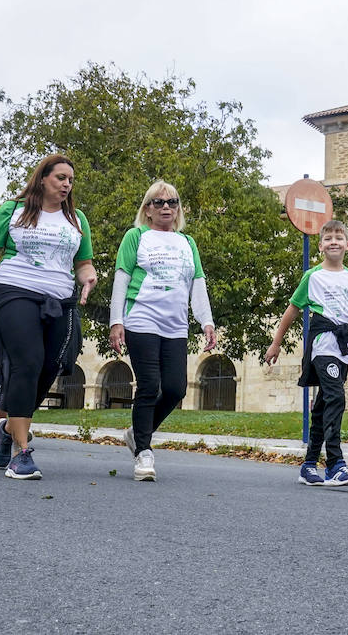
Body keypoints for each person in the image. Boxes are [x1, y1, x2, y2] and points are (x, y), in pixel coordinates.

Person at [0, 154, 95, 480]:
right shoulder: (12, 212)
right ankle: (22, 453)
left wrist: (88, 276)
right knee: (28, 361)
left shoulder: (77, 220)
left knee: (51, 366)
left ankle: (9, 427)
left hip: (59, 298)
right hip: (14, 292)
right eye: (60, 178)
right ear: (42, 178)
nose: (67, 184)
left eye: (71, 180)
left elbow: (83, 262)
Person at [109, 180, 217, 482]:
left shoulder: (187, 242)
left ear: (178, 208)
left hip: (175, 324)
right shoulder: (136, 236)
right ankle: (144, 452)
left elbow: (197, 283)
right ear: (148, 209)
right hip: (141, 318)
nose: (166, 207)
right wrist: (116, 321)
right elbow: (121, 278)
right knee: (148, 385)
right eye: (159, 202)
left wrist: (206, 322)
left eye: (172, 202)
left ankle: (136, 432)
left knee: (175, 388)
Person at [265, 219, 348, 487]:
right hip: (323, 344)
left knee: (323, 406)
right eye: (328, 238)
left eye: (339, 237)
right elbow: (292, 310)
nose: (333, 241)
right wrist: (276, 343)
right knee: (336, 397)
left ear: (347, 244)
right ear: (321, 246)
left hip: (344, 347)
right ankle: (336, 464)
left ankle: (309, 465)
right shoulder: (312, 277)